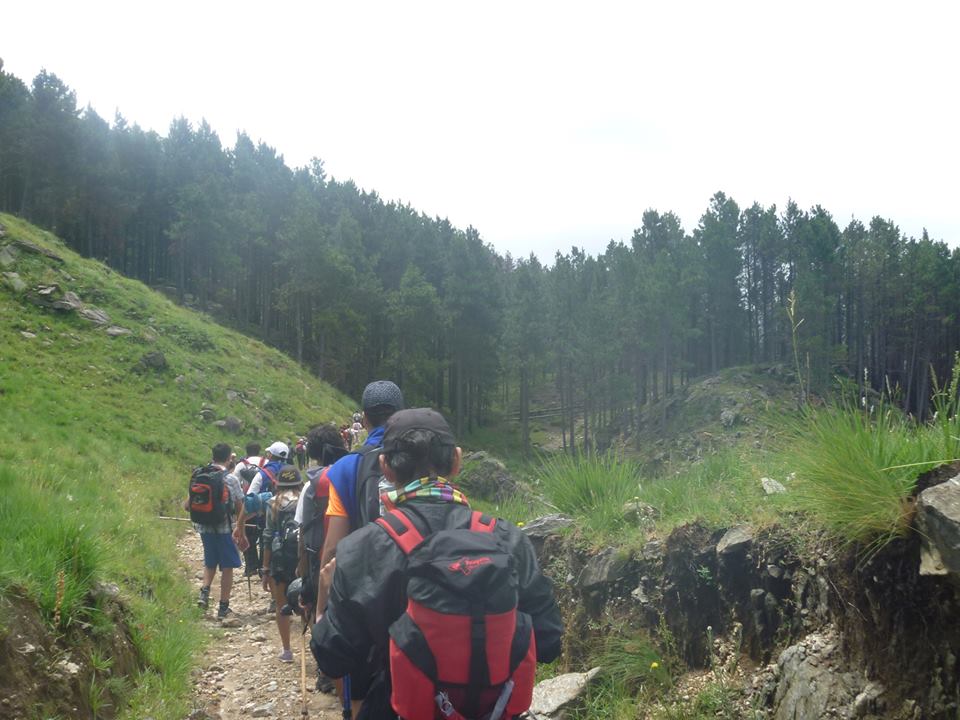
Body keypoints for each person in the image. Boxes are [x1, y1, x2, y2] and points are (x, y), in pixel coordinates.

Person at [311, 409, 562, 719]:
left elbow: (333, 658)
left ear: (385, 467)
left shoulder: (361, 548)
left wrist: (323, 606)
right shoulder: (508, 539)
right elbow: (548, 641)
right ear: (456, 461)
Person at [316, 381, 404, 611]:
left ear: (364, 420)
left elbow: (333, 546)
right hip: (415, 589)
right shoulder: (421, 459)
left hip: (366, 592)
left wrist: (321, 608)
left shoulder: (345, 467)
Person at [293, 423, 348, 693]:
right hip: (353, 555)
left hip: (321, 559)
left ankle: (326, 671)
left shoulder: (312, 485)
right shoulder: (353, 476)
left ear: (313, 454)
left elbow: (303, 531)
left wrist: (303, 569)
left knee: (319, 610)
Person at [188, 442, 243, 619]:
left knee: (210, 562)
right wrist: (240, 528)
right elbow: (240, 506)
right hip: (225, 527)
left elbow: (187, 505)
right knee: (227, 566)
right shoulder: (230, 479)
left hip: (204, 526)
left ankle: (204, 593)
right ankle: (223, 607)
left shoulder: (199, 474)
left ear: (213, 456)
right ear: (228, 458)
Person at [261, 463, 305, 663]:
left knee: (281, 605)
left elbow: (268, 536)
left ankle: (287, 651)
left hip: (280, 560)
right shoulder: (305, 500)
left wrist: (265, 568)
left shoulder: (272, 503)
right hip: (302, 557)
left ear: (278, 484)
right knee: (307, 603)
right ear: (299, 483)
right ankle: (312, 649)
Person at [234, 442, 266, 575]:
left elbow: (235, 481)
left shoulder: (242, 464)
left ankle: (251, 566)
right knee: (264, 535)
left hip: (248, 503)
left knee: (247, 534)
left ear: (246, 451)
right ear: (259, 450)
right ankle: (263, 566)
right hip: (264, 503)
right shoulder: (266, 462)